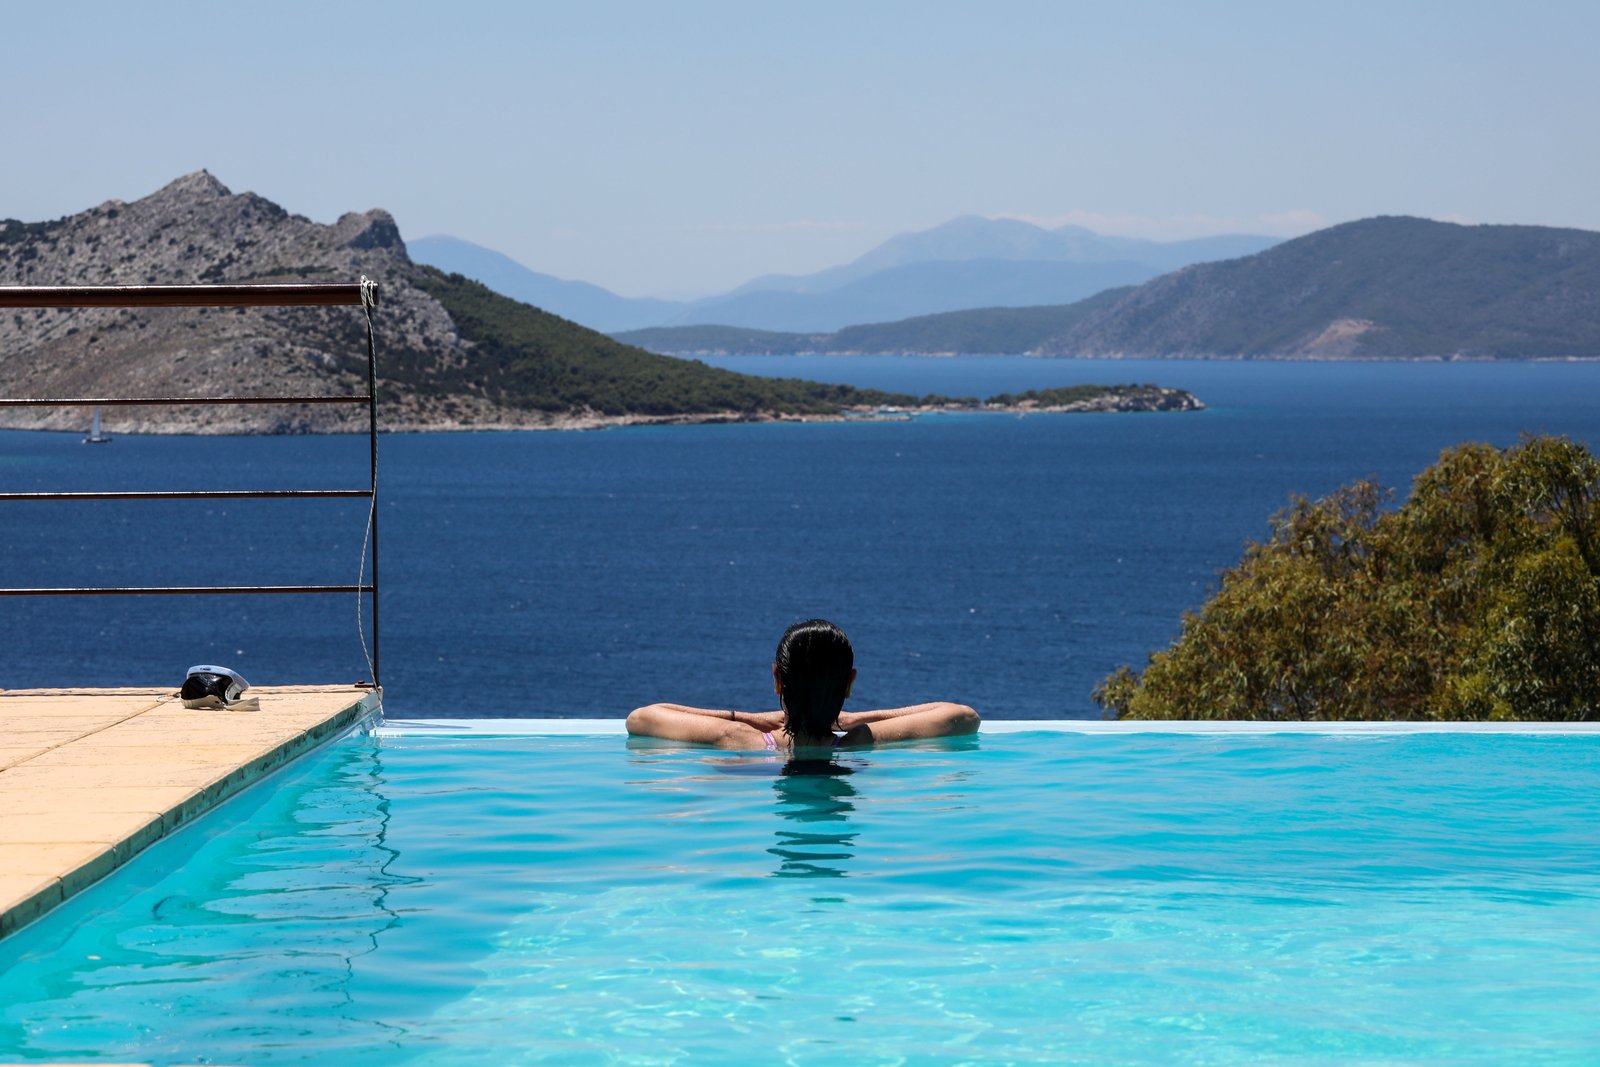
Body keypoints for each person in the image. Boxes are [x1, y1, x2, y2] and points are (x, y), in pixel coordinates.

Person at [626, 619, 979, 750]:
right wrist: (848, 719)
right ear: (850, 683)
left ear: (777, 679)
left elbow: (642, 718)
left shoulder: (740, 738)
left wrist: (749, 718)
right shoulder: (861, 742)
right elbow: (962, 717)